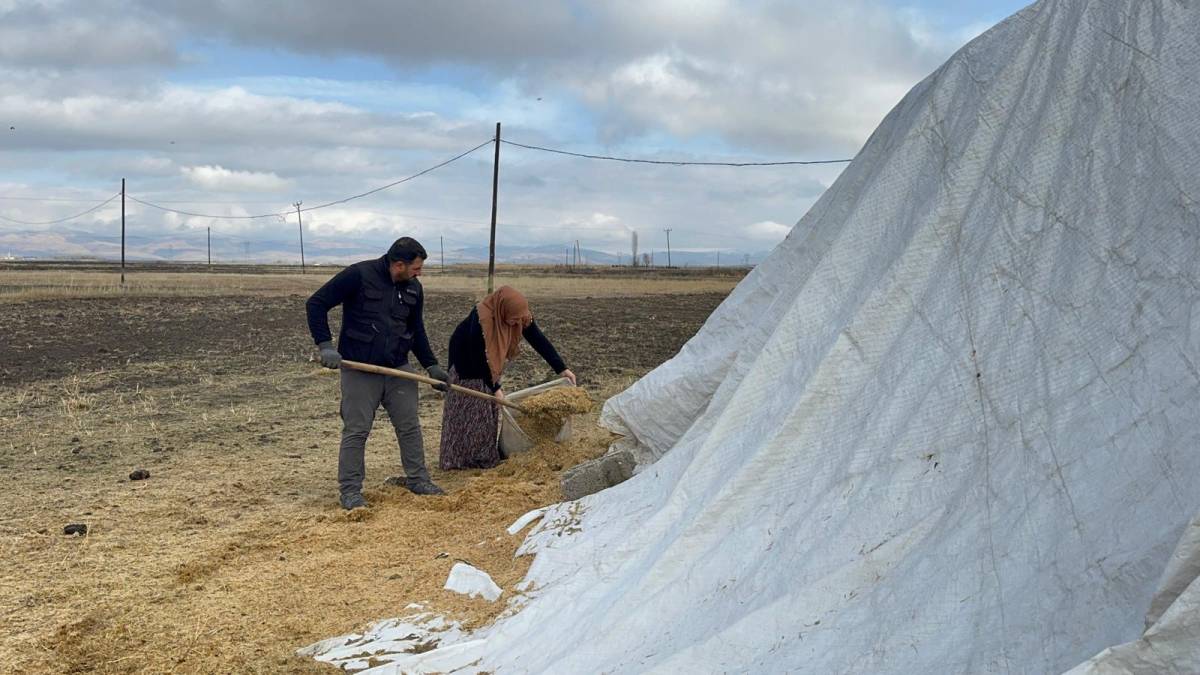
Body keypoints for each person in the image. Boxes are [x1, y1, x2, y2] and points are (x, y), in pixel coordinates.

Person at [306, 237, 452, 509]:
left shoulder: (414, 289)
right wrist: (325, 345)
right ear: (399, 265)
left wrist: (431, 365)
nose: (419, 273)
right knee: (357, 431)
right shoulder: (358, 275)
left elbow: (416, 329)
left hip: (398, 368)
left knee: (409, 427)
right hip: (360, 369)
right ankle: (350, 491)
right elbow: (316, 304)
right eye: (416, 268)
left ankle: (418, 480)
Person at [439, 285, 576, 470]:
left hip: (487, 366)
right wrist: (495, 388)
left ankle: (484, 457)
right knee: (470, 411)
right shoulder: (482, 319)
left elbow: (537, 338)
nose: (516, 323)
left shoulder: (519, 315)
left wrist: (562, 368)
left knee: (487, 413)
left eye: (519, 319)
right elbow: (478, 357)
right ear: (502, 310)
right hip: (466, 364)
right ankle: (458, 460)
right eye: (512, 320)